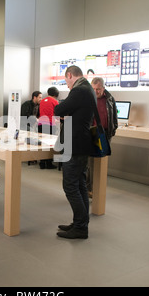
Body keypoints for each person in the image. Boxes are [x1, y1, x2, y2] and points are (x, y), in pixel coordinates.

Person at [54, 65, 96, 239]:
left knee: (70, 186)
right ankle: (80, 222)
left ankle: (80, 227)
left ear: (70, 75)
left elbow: (58, 110)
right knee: (79, 185)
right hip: (81, 143)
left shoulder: (79, 90)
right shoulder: (88, 89)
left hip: (74, 144)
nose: (67, 86)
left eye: (66, 81)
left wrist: (65, 112)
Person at [86, 77, 118, 196]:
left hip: (105, 133)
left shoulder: (110, 99)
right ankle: (89, 189)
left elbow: (114, 116)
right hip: (92, 133)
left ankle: (97, 189)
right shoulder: (88, 98)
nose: (95, 91)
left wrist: (113, 130)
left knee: (101, 162)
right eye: (93, 89)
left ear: (103, 88)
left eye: (98, 89)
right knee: (90, 163)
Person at [37, 87, 59, 169]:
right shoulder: (55, 101)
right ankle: (49, 164)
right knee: (49, 144)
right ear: (56, 95)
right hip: (50, 124)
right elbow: (57, 113)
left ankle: (42, 163)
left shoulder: (42, 101)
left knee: (42, 144)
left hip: (41, 124)